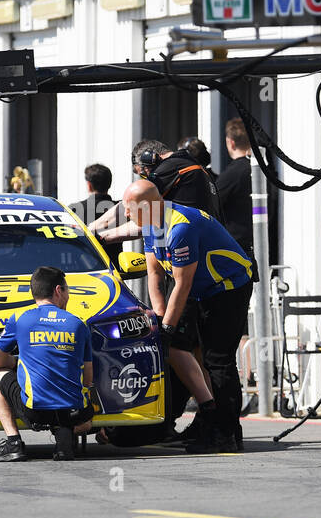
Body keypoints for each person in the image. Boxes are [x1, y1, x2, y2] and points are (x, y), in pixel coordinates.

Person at [125, 179, 254, 453]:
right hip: (201, 289)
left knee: (218, 361)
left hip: (228, 288)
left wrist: (168, 328)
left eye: (129, 208)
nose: (126, 214)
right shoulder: (150, 224)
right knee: (187, 350)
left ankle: (226, 434)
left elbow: (182, 285)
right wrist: (160, 317)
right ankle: (208, 419)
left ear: (147, 206)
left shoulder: (181, 227)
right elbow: (155, 274)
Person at [0, 266, 95, 463]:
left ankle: (13, 443)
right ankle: (64, 436)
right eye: (67, 290)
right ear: (58, 290)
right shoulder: (79, 323)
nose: (68, 296)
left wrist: (17, 361)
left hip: (36, 412)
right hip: (76, 413)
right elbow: (88, 379)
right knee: (81, 407)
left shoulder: (19, 319)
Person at [93, 139, 221, 246]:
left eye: (144, 174)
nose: (146, 180)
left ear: (150, 157)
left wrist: (93, 232)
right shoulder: (190, 166)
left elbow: (130, 205)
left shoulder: (170, 168)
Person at [69, 163, 125, 263]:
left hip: (83, 268)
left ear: (89, 185)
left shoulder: (74, 210)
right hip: (114, 270)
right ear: (109, 183)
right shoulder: (122, 209)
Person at [215, 118, 255, 257]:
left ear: (230, 142)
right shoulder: (263, 170)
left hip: (236, 249)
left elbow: (211, 202)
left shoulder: (232, 174)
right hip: (261, 243)